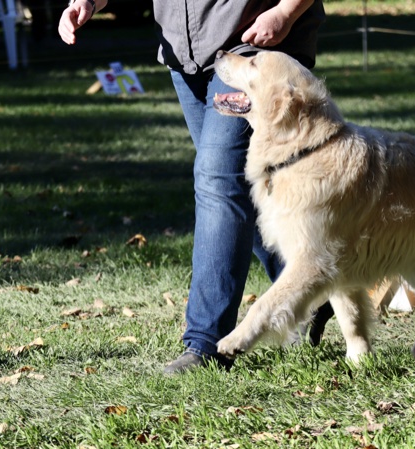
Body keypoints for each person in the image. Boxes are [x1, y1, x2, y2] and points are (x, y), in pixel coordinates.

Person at [59, 0, 332, 374]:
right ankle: (309, 292)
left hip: (256, 42)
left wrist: (284, 11)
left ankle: (206, 343)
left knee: (217, 182)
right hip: (185, 53)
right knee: (234, 193)